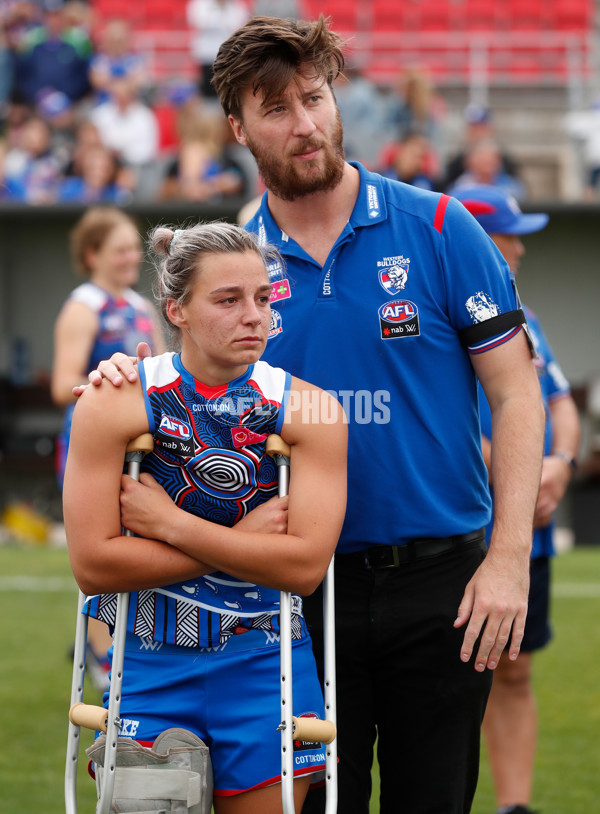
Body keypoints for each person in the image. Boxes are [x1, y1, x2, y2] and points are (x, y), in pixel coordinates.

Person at [81, 16, 545, 814]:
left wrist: (507, 559)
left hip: (440, 580)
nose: (304, 124)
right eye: (276, 109)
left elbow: (516, 391)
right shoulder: (232, 257)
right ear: (237, 127)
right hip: (289, 595)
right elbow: (178, 386)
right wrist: (120, 370)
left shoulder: (439, 226)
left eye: (315, 98)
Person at [63, 220, 348, 812]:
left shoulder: (312, 410)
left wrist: (171, 524)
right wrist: (241, 541)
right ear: (177, 309)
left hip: (266, 664)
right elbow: (93, 566)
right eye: (228, 299)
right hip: (149, 662)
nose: (254, 316)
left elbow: (302, 568)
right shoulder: (112, 401)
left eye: (263, 299)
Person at [452, 185, 581, 814]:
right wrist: (514, 474)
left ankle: (516, 807)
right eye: (509, 233)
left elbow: (557, 400)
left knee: (518, 669)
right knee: (459, 679)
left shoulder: (521, 314)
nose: (520, 246)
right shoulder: (440, 305)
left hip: (530, 516)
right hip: (474, 520)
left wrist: (559, 463)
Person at [52, 207, 165, 690]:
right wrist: (113, 381)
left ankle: (129, 647)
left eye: (133, 248)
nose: (130, 257)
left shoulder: (141, 306)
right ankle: (99, 658)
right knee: (100, 549)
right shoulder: (84, 305)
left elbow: (162, 370)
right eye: (119, 249)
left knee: (140, 544)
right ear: (93, 254)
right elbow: (62, 385)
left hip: (141, 445)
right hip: (93, 442)